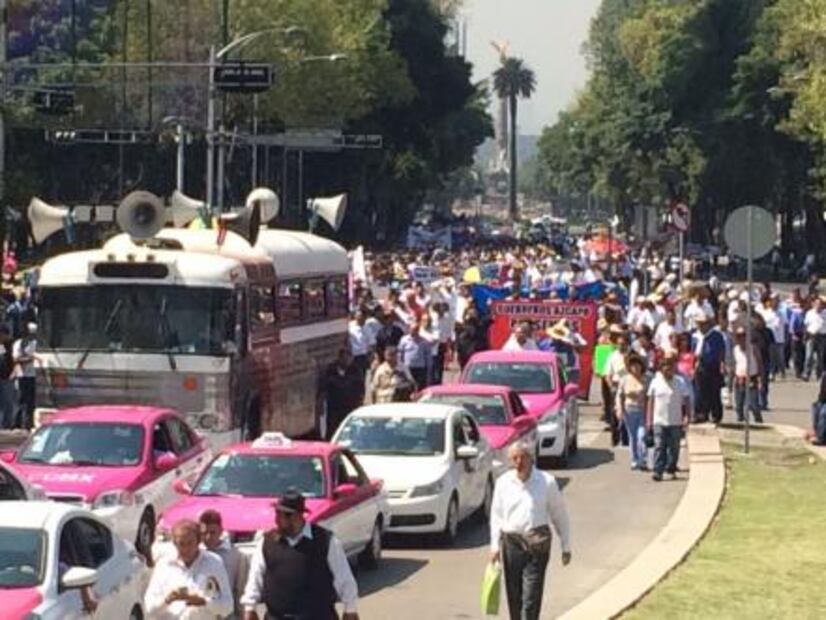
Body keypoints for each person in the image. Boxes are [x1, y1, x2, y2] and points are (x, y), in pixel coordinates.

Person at [240, 488, 359, 620]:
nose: (276, 520)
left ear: (295, 516)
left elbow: (344, 579)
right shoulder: (266, 542)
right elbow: (255, 579)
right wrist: (250, 608)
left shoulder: (326, 541)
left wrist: (350, 610)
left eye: (280, 515)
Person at [489, 441, 572, 620]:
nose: (519, 462)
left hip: (537, 544)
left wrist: (566, 546)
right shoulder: (503, 482)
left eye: (522, 457)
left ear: (531, 458)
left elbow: (560, 515)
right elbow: (496, 516)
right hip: (511, 544)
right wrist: (494, 546)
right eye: (514, 458)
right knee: (514, 595)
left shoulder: (546, 482)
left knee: (531, 598)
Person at [144, 519, 234, 620]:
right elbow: (149, 609)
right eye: (181, 544)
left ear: (198, 541)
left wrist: (204, 601)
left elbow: (228, 607)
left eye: (190, 543)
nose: (186, 549)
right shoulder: (164, 565)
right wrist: (168, 599)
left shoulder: (214, 562)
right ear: (174, 543)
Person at [646, 356, 690, 482]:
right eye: (664, 369)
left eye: (670, 369)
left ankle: (671, 469)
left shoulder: (680, 382)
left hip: (675, 421)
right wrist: (649, 420)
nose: (667, 372)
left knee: (674, 448)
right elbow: (650, 401)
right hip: (658, 421)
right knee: (659, 446)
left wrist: (687, 415)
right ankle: (658, 471)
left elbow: (686, 400)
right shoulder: (655, 382)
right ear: (661, 370)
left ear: (673, 369)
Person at [199, 510, 249, 619]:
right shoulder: (196, 553)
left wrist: (241, 615)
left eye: (212, 532)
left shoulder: (235, 555)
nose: (208, 537)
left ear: (221, 531)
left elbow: (240, 590)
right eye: (204, 533)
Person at [616, 354, 649, 470]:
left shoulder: (646, 379)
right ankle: (635, 459)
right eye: (633, 365)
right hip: (629, 411)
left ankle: (643, 459)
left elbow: (649, 397)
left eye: (637, 365)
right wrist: (619, 409)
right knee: (632, 436)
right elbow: (619, 396)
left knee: (642, 436)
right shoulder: (624, 379)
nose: (635, 368)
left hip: (642, 411)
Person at [322, 349, 364, 439]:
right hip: (334, 408)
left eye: (349, 358)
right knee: (333, 431)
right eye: (345, 358)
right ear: (340, 358)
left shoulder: (355, 371)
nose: (347, 361)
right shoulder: (331, 370)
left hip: (350, 406)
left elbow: (360, 388)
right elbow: (325, 386)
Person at [693, 312, 726, 424]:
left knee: (714, 392)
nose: (702, 326)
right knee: (700, 392)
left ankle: (716, 414)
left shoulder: (716, 335)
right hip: (699, 367)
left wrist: (722, 364)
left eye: (704, 324)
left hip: (713, 367)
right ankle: (701, 414)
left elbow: (721, 352)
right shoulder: (695, 336)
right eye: (699, 324)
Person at [733, 327, 764, 424]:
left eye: (743, 336)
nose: (741, 339)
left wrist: (760, 379)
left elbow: (759, 363)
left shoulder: (753, 348)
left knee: (753, 404)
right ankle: (740, 422)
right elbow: (735, 364)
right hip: (739, 379)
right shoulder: (735, 349)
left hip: (751, 378)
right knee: (739, 405)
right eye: (739, 337)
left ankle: (758, 421)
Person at [12, 322, 37, 430]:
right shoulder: (19, 343)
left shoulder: (36, 343)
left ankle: (28, 424)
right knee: (21, 400)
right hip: (22, 376)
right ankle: (17, 424)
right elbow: (16, 359)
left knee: (31, 402)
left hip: (34, 375)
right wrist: (30, 359)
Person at [397, 321, 430, 389]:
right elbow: (400, 353)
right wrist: (400, 366)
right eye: (412, 329)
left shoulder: (424, 341)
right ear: (409, 329)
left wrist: (428, 367)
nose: (414, 331)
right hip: (408, 367)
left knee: (420, 386)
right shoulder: (404, 340)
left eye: (416, 329)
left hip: (420, 368)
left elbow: (427, 355)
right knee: (408, 386)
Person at [0, 325, 15, 430]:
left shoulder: (11, 345)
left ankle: (6, 425)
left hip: (7, 377)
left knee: (8, 402)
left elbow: (11, 360)